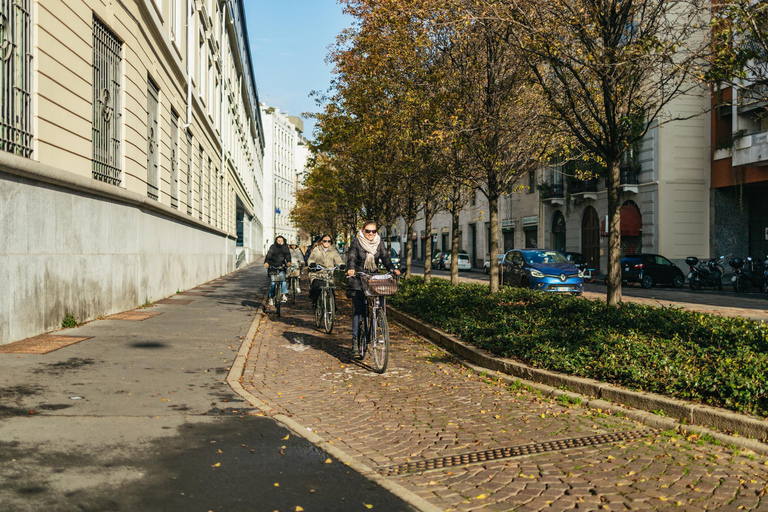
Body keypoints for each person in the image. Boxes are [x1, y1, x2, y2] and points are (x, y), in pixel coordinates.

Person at [345, 221, 400, 358]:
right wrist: (351, 269)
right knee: (359, 311)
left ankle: (379, 319)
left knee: (381, 296)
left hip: (373, 277)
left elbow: (385, 258)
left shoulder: (379, 243)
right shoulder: (356, 242)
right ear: (363, 231)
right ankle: (355, 341)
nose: (371, 234)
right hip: (358, 277)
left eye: (373, 231)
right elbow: (351, 257)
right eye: (368, 231)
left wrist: (392, 269)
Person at [308, 234, 343, 310]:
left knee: (331, 289)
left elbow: (338, 259)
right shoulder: (317, 250)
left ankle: (332, 307)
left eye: (329, 241)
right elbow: (312, 258)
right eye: (325, 241)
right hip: (317, 274)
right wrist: (312, 264)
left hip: (329, 275)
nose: (327, 242)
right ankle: (315, 303)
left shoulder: (334, 251)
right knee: (316, 288)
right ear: (321, 242)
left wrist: (341, 265)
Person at [264, 235, 292, 307]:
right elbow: (269, 255)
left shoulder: (285, 248)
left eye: (281, 241)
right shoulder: (273, 247)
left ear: (283, 241)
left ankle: (283, 295)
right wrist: (266, 262)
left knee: (282, 280)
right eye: (278, 240)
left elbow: (287, 255)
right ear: (276, 241)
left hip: (281, 266)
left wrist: (288, 262)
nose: (280, 242)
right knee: (273, 283)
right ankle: (271, 298)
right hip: (273, 266)